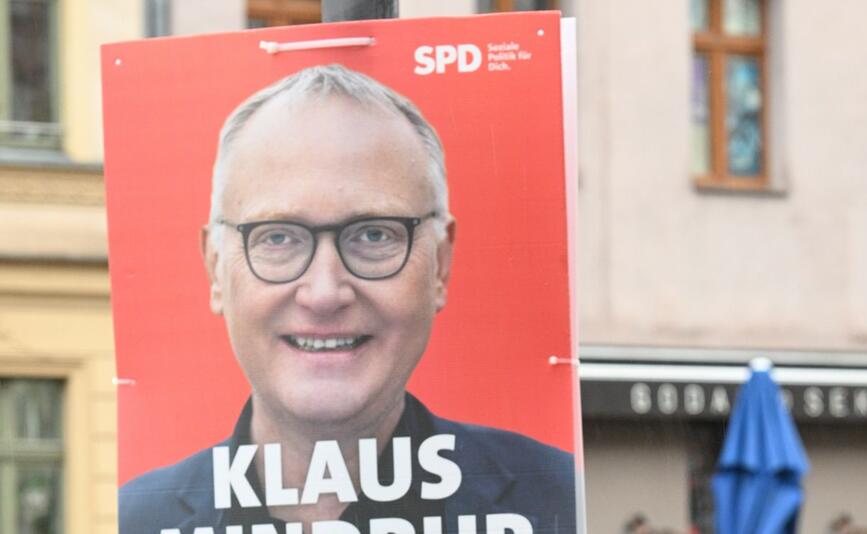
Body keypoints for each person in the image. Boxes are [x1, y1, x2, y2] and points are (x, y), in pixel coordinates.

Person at [118, 65, 576, 534]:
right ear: (216, 268)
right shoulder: (131, 520)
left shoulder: (562, 499)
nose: (324, 293)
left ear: (439, 263)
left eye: (373, 234)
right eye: (277, 238)